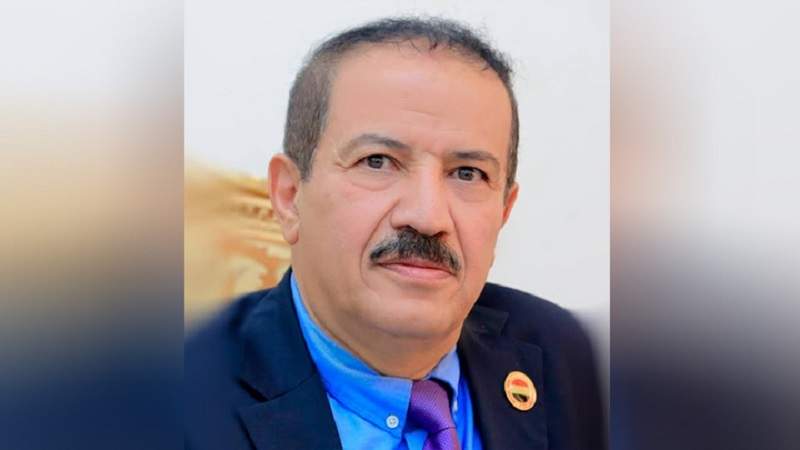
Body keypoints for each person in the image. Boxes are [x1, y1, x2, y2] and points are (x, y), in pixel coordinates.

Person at [185, 17, 604, 450]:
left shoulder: (569, 358)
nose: (427, 217)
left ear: (503, 211)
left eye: (467, 173)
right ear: (290, 197)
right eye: (378, 162)